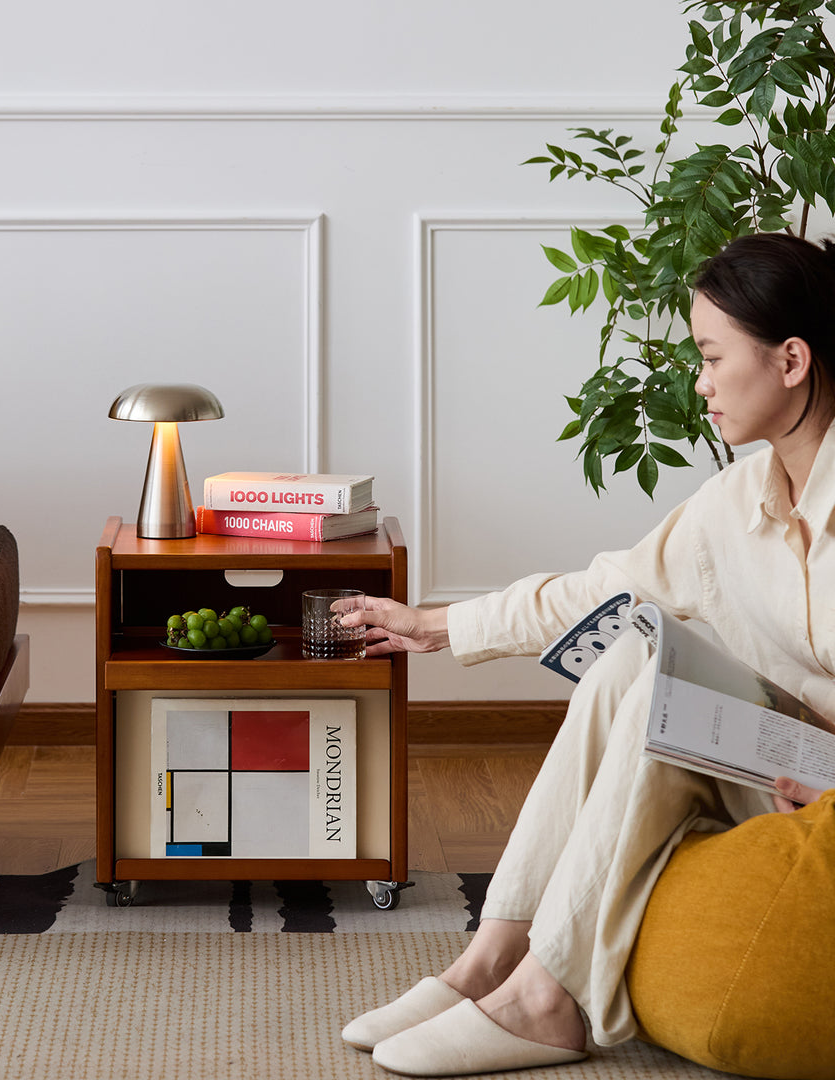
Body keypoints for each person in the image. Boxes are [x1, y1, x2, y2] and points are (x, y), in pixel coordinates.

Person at [339, 231, 835, 1077]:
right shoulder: (738, 501)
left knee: (662, 700)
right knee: (626, 664)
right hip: (785, 767)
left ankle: (547, 1000)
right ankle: (489, 963)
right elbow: (604, 591)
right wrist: (433, 625)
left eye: (712, 357)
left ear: (791, 360)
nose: (701, 383)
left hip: (821, 792)